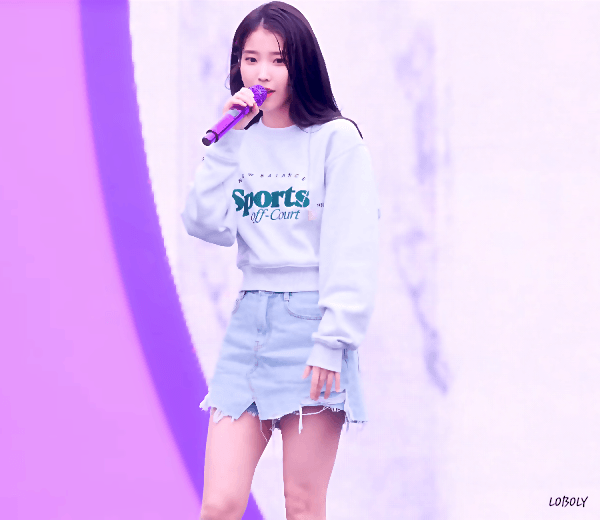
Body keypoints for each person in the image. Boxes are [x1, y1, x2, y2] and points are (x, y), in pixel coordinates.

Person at [181, 2, 379, 519]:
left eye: (278, 60)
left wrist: (333, 341)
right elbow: (204, 223)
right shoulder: (238, 142)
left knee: (302, 503)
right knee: (219, 503)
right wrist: (226, 144)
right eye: (251, 59)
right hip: (250, 323)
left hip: (312, 325)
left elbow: (353, 247)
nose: (262, 73)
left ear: (301, 65)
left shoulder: (335, 140)